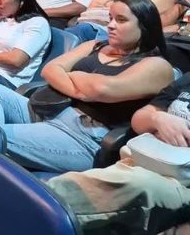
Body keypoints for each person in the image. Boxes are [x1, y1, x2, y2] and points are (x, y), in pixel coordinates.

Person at [0, 0, 174, 172]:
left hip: (82, 135)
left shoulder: (156, 65)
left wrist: (74, 76)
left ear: (145, 27)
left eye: (121, 20)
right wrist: (81, 90)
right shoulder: (96, 45)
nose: (111, 25)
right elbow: (51, 70)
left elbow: (102, 89)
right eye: (111, 18)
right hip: (49, 107)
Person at [46, 74, 190, 233]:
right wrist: (157, 118)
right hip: (140, 159)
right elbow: (139, 121)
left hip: (177, 182)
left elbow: (101, 89)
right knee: (85, 182)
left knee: (135, 183)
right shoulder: (187, 80)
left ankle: (33, 205)